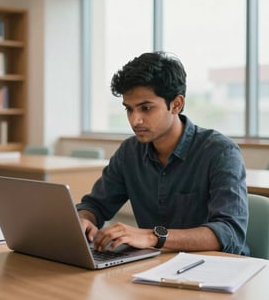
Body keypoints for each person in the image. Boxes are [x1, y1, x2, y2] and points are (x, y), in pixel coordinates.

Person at [76, 51, 249, 255]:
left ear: (176, 104)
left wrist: (151, 236)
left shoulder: (220, 152)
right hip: (155, 267)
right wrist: (85, 219)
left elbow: (230, 233)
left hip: (215, 270)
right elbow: (95, 205)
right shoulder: (129, 152)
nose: (134, 120)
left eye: (146, 108)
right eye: (129, 109)